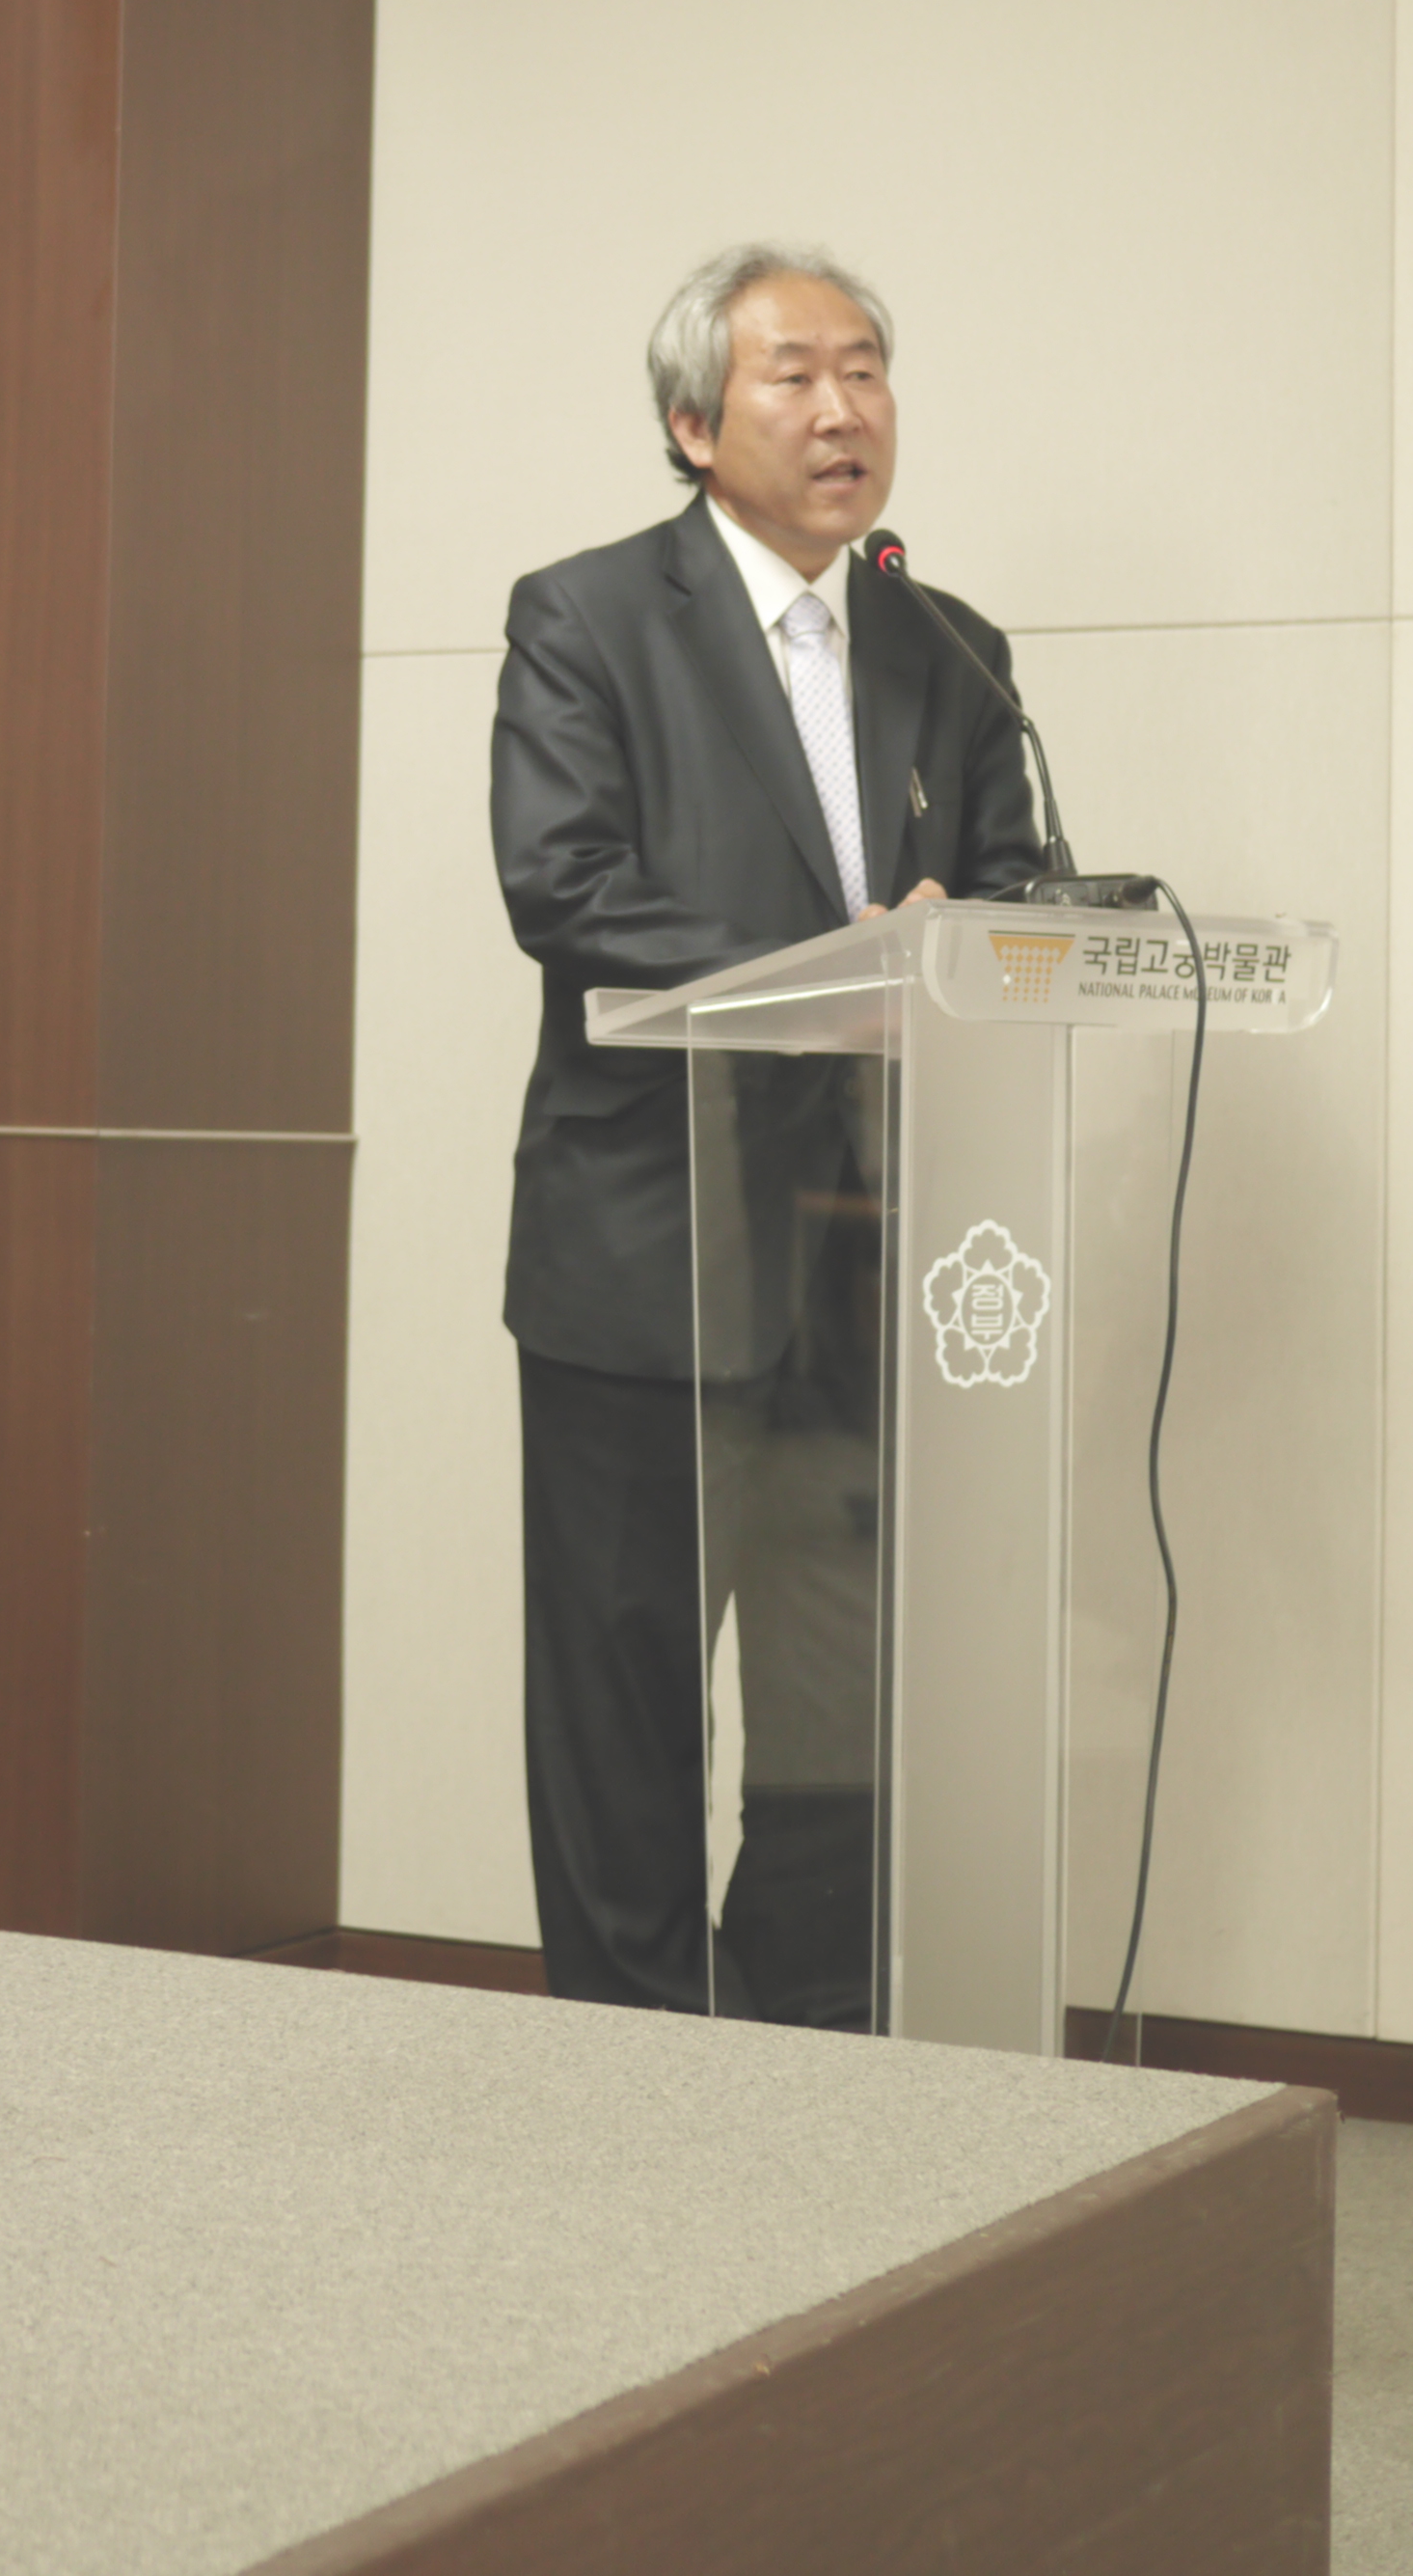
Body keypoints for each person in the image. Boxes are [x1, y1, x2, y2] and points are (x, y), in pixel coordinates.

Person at [490, 243, 1046, 2018]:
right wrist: (841, 961)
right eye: (794, 374)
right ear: (692, 423)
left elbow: (1019, 900)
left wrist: (975, 940)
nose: (841, 407)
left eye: (865, 369)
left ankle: (799, 2077)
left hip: (870, 1267)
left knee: (845, 1736)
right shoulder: (586, 618)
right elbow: (567, 890)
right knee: (626, 1722)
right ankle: (634, 2081)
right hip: (647, 1265)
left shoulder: (950, 649)